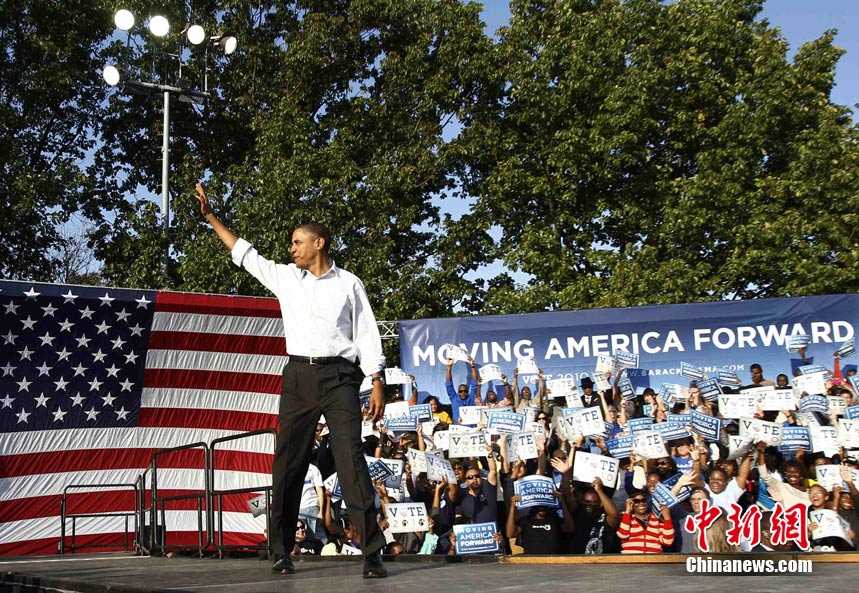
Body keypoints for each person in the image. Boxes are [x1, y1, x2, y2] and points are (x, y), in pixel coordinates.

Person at [195, 184, 388, 578]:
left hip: (340, 378)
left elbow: (367, 332)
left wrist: (377, 378)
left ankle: (372, 552)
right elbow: (244, 254)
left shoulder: (348, 283)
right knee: (289, 463)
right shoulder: (286, 278)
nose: (291, 249)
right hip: (299, 375)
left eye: (298, 242)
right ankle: (281, 551)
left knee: (350, 460)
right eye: (290, 244)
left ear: (320, 243)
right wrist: (212, 217)